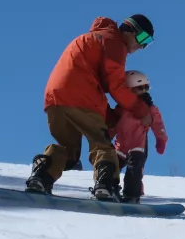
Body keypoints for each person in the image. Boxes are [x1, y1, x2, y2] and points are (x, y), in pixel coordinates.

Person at [25, 14, 156, 201]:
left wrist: (114, 118)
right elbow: (115, 86)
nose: (142, 46)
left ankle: (40, 177)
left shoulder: (94, 39)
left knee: (68, 151)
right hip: (81, 96)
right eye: (143, 39)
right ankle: (106, 186)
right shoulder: (114, 42)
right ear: (129, 30)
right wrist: (142, 110)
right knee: (102, 145)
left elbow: (96, 94)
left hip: (55, 99)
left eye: (148, 43)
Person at [108, 70, 169, 203]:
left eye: (146, 87)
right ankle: (109, 189)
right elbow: (113, 125)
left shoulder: (150, 108)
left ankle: (132, 195)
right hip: (120, 145)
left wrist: (161, 140)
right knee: (111, 166)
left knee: (134, 170)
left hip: (138, 145)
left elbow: (159, 125)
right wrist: (106, 136)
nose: (144, 91)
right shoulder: (121, 108)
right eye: (139, 88)